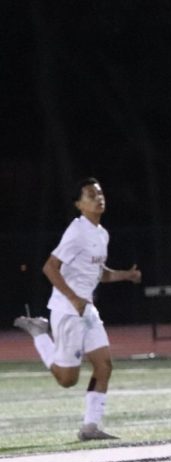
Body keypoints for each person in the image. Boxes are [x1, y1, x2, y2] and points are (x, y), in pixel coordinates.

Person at [13, 178, 142, 441]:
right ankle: (39, 333)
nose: (98, 198)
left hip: (87, 310)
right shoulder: (76, 231)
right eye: (91, 195)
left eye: (100, 193)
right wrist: (73, 298)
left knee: (104, 366)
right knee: (67, 379)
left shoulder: (102, 233)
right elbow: (50, 267)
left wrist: (125, 275)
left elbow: (99, 275)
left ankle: (90, 428)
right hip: (68, 311)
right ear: (78, 204)